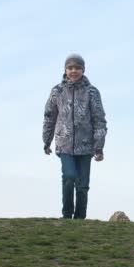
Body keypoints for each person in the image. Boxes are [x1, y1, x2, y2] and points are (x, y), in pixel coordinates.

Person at [42, 54, 107, 219]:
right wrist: (47, 140)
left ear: (83, 70)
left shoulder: (91, 92)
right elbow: (49, 116)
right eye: (70, 68)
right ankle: (66, 215)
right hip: (64, 144)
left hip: (86, 146)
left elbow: (99, 120)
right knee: (69, 176)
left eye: (77, 68)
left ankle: (79, 219)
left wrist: (99, 147)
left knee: (82, 185)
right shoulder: (57, 91)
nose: (73, 71)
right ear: (65, 70)